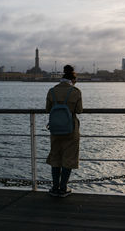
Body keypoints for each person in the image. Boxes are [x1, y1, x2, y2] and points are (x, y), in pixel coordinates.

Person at [46, 65, 83, 197]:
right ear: (73, 80)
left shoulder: (52, 91)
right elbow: (79, 110)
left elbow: (47, 109)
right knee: (69, 157)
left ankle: (54, 187)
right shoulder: (76, 91)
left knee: (55, 156)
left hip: (55, 129)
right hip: (71, 129)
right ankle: (63, 188)